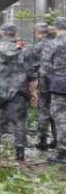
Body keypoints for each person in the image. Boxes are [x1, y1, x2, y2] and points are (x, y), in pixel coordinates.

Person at [0, 23, 36, 161]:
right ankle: (20, 152)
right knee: (20, 121)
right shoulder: (24, 51)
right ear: (15, 34)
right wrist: (33, 92)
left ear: (2, 33)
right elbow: (31, 74)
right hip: (19, 92)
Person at [41, 17, 66, 164]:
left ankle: (62, 151)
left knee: (60, 117)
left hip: (59, 84)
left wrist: (42, 89)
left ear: (56, 27)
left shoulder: (53, 44)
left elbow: (45, 68)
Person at [31, 22, 58, 150]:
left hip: (44, 82)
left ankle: (42, 140)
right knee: (57, 110)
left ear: (38, 33)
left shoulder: (36, 47)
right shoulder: (57, 44)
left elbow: (32, 67)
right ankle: (57, 139)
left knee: (43, 109)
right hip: (59, 82)